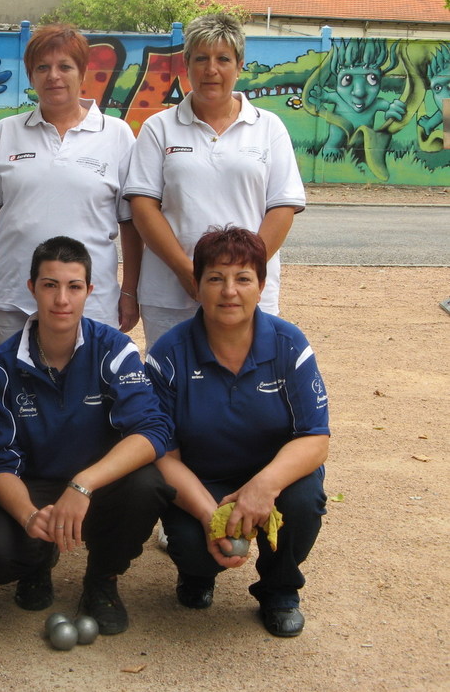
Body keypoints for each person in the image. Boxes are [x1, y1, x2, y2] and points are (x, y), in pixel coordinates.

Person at [0, 236, 174, 635]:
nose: (62, 299)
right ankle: (37, 562)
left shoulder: (114, 349)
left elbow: (153, 430)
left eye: (74, 286)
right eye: (50, 285)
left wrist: (84, 484)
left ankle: (102, 579)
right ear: (32, 288)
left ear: (89, 292)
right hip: (36, 484)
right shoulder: (3, 365)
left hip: (98, 483)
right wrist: (29, 517)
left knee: (149, 483)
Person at [145, 226, 329, 638]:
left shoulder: (289, 345)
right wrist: (212, 516)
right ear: (197, 286)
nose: (229, 290)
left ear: (261, 286)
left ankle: (279, 589)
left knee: (305, 498)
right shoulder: (167, 355)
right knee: (196, 551)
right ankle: (196, 574)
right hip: (201, 481)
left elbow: (316, 438)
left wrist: (263, 486)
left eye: (243, 278)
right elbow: (161, 454)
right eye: (215, 278)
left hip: (273, 479)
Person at [124, 12, 306, 348]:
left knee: (246, 386)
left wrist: (238, 276)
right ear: (186, 64)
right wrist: (187, 271)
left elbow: (282, 207)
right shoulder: (159, 128)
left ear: (239, 66)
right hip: (171, 292)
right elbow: (143, 206)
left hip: (246, 295)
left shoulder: (269, 128)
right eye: (201, 59)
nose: (212, 70)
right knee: (172, 388)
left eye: (223, 59)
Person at [0, 24, 141, 349]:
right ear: (30, 76)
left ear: (83, 72)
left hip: (90, 302)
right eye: (42, 68)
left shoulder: (116, 135)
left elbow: (130, 223)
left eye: (65, 66)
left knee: (87, 394)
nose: (53, 76)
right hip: (13, 299)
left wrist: (129, 289)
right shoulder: (5, 133)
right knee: (12, 393)